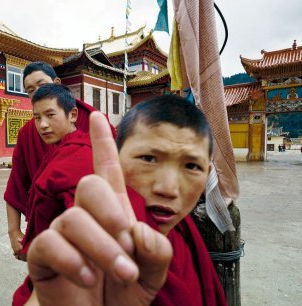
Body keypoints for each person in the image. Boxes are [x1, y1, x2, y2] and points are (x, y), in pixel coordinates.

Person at [26, 95, 227, 306]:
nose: (168, 189)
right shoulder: (90, 247)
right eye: (149, 159)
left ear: (208, 175)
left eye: (192, 166)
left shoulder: (187, 240)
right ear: (116, 157)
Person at [4, 62, 115, 261]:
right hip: (45, 231)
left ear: (57, 83)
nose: (39, 93)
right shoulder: (29, 132)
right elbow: (17, 182)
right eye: (31, 90)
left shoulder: (93, 121)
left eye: (42, 84)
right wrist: (14, 231)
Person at [12, 83, 97, 306]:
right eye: (37, 118)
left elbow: (83, 229)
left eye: (50, 115)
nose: (43, 125)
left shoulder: (79, 155)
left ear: (72, 115)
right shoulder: (62, 150)